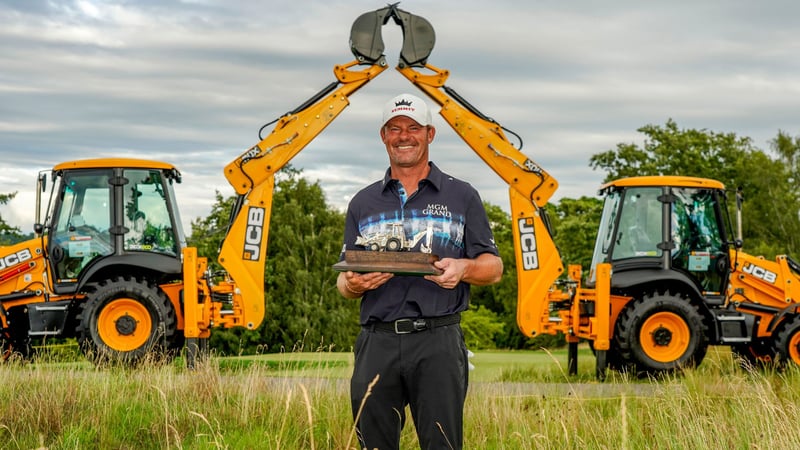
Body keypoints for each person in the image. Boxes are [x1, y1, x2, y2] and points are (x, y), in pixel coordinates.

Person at [337, 93, 503, 449]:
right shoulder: (363, 202)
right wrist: (353, 284)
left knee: (441, 444)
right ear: (383, 136)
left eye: (413, 127)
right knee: (373, 444)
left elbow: (493, 268)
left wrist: (464, 267)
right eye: (394, 128)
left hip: (438, 341)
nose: (404, 135)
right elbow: (344, 276)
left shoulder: (462, 195)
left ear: (430, 133)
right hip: (376, 341)